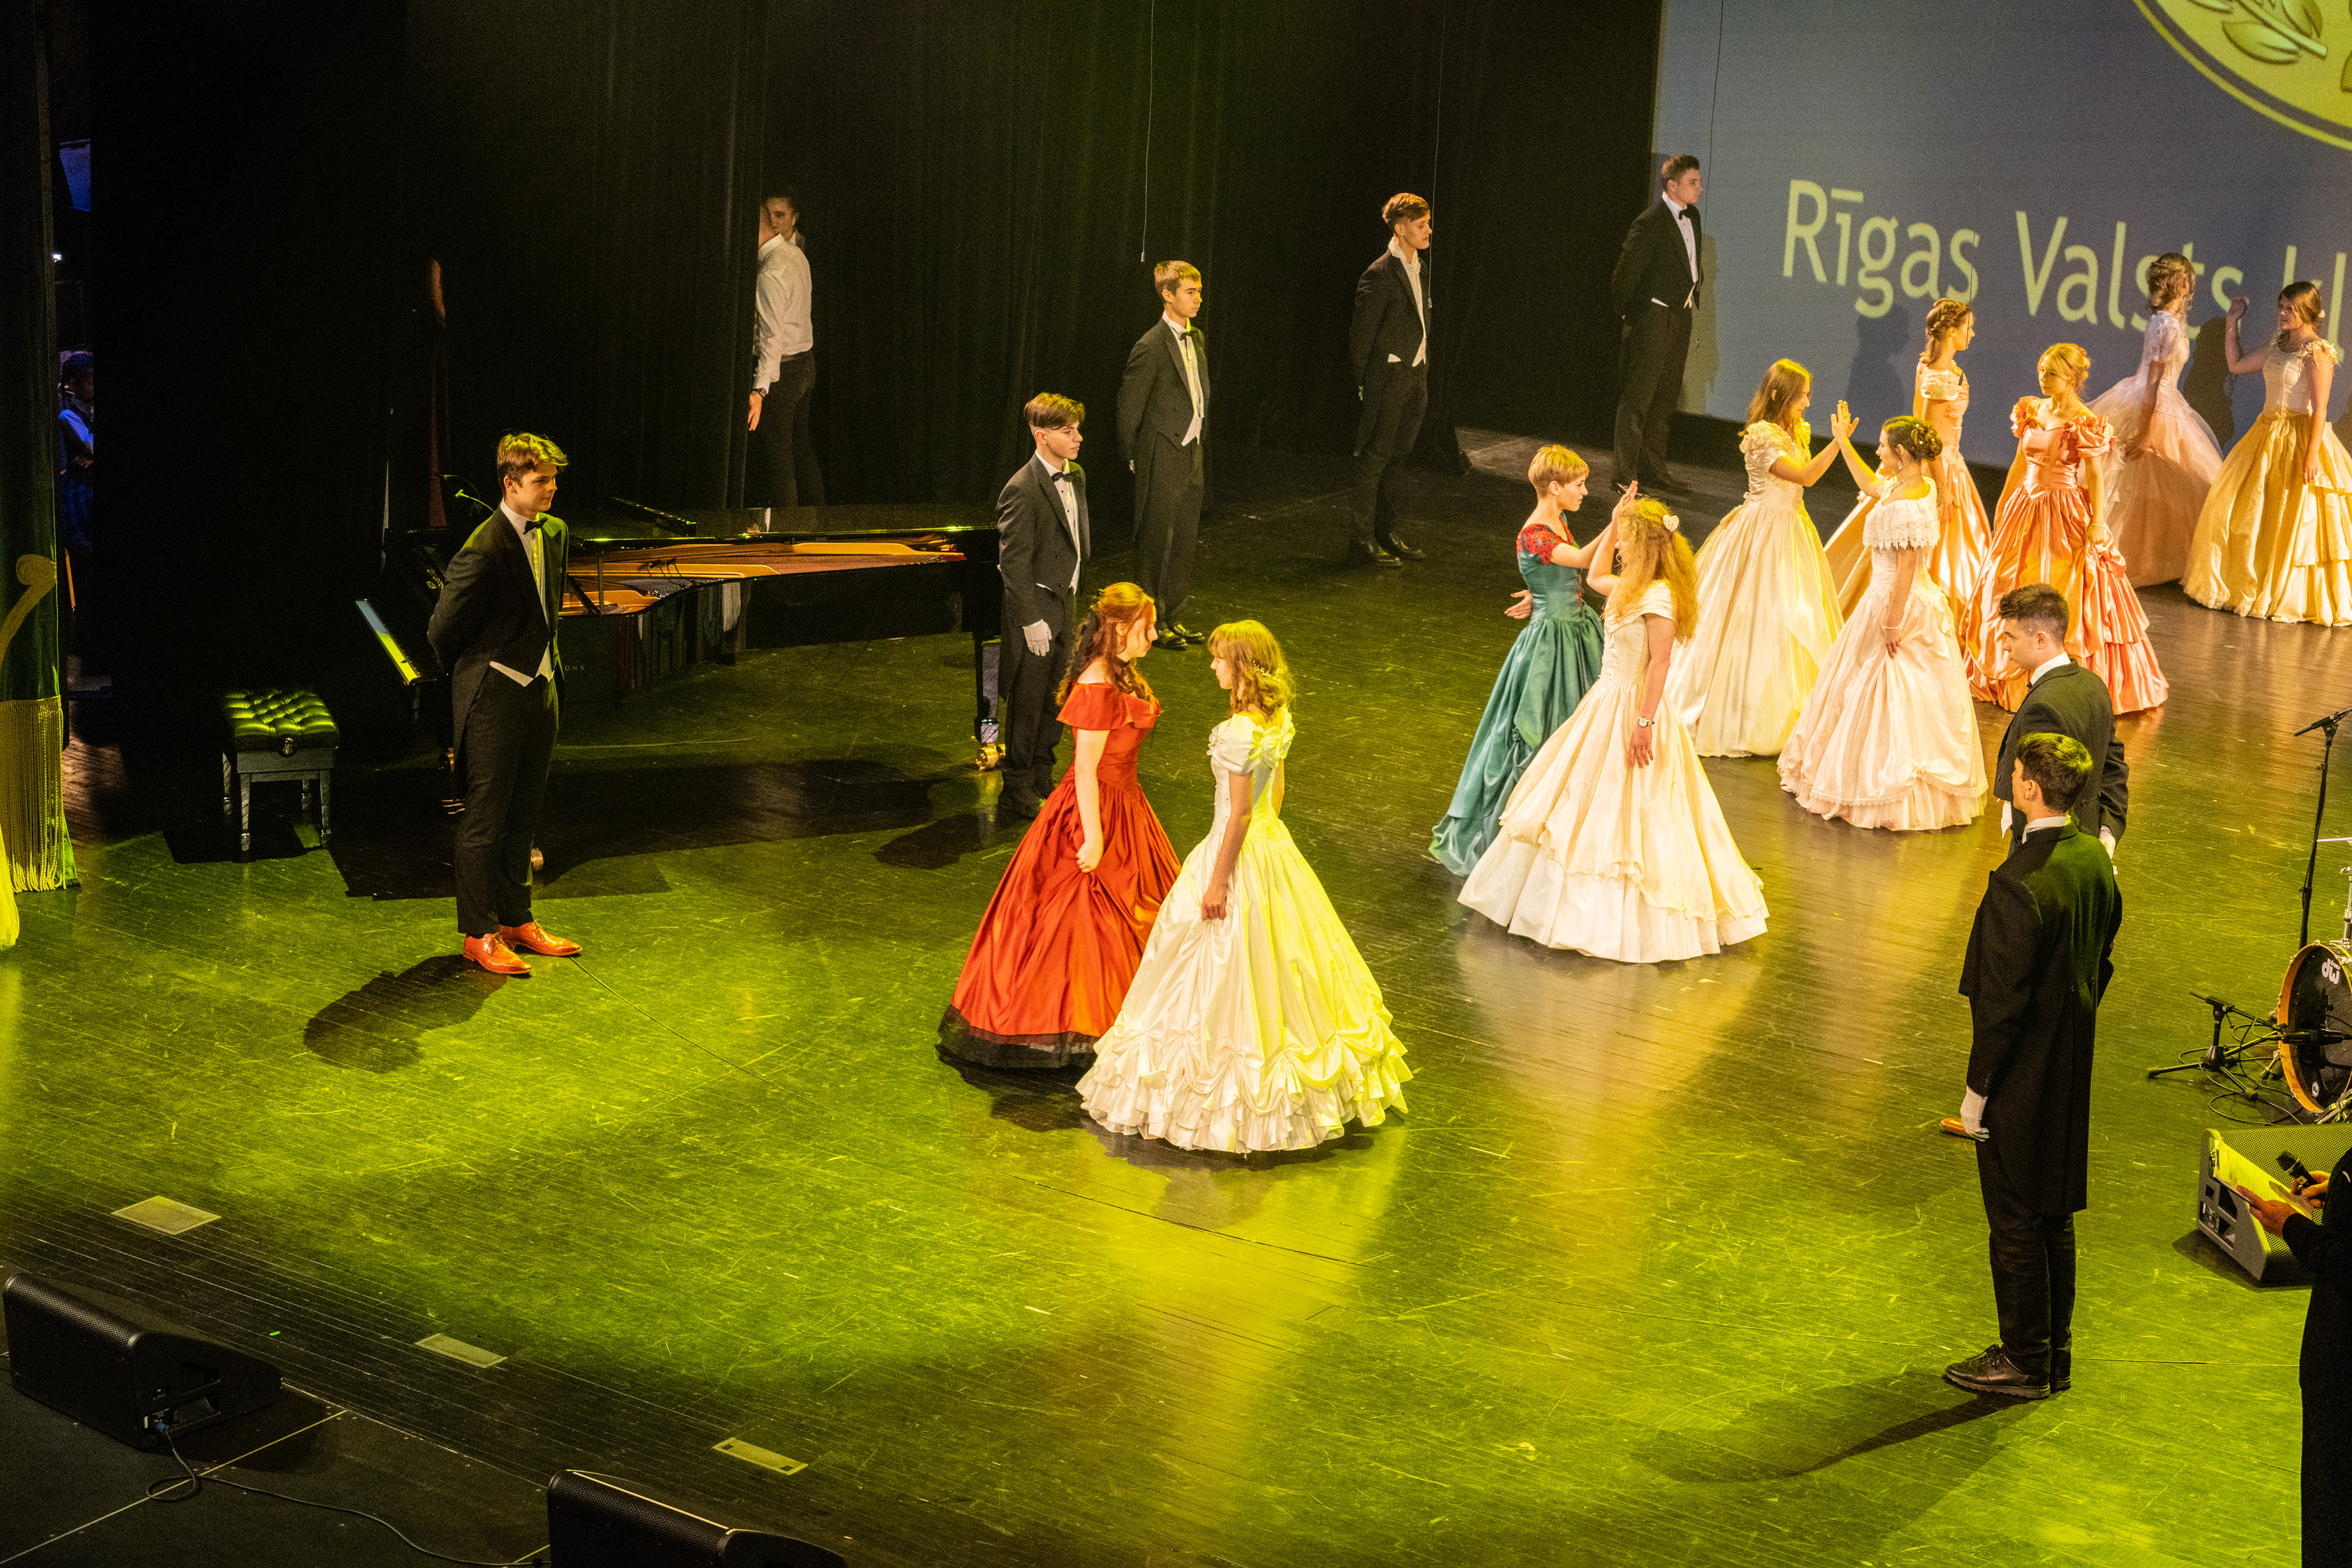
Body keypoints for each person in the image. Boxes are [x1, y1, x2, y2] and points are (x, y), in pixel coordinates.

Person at [1077, 621, 1411, 1151]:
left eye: (1218, 659)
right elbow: (1272, 793)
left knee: (1210, 967)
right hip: (1270, 846)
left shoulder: (1238, 730)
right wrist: (1269, 839)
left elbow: (1237, 815)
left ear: (1240, 666)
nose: (1211, 665)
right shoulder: (1276, 716)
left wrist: (1217, 882)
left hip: (1231, 851)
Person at [1458, 497, 1768, 962]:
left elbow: (1660, 664)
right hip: (1603, 702)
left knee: (1636, 808)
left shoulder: (1659, 596)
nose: (1618, 545)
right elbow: (1593, 576)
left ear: (1642, 544)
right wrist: (1611, 522)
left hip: (1634, 707)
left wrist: (1644, 723)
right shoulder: (1628, 587)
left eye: (1624, 538)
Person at [1944, 732, 2121, 1401]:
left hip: (2020, 1077)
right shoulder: (2093, 859)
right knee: (2053, 1213)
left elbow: (2000, 1007)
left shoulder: (2017, 884)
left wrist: (1975, 1095)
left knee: (2015, 1217)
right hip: (2070, 1066)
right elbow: (2102, 951)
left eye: (2015, 771)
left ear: (2028, 788)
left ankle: (2022, 1360)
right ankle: (2053, 1356)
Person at [939, 584, 1182, 1068]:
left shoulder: (1121, 673)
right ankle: (1080, 1022)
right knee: (1081, 920)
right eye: (1147, 627)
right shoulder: (1096, 686)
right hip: (1093, 811)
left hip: (1126, 806)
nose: (1154, 636)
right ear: (1120, 628)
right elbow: (1086, 770)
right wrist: (1093, 837)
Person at [1778, 414, 1986, 830]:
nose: (1877, 451)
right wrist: (1842, 441)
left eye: (1883, 446)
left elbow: (1907, 568)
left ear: (1902, 453)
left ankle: (1885, 783)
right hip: (1889, 597)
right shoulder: (1908, 485)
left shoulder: (1910, 501)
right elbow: (1871, 485)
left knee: (1894, 690)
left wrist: (1892, 622)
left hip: (1897, 603)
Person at [426, 433, 584, 976]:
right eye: (542, 481)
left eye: (554, 479)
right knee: (485, 819)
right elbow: (441, 632)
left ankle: (518, 919)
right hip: (494, 696)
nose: (552, 489)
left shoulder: (555, 533)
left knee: (525, 813)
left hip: (541, 688)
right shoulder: (483, 548)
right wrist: (486, 667)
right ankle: (479, 933)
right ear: (511, 484)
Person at [1427, 446, 1615, 875]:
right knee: (1540, 728)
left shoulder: (1558, 520)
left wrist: (1540, 591)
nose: (1585, 492)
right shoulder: (1535, 532)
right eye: (1579, 485)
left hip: (1576, 632)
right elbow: (1581, 560)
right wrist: (1616, 522)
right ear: (1555, 487)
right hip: (1551, 644)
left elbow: (1555, 571)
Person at [1662, 359, 1849, 757]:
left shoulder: (1796, 430)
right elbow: (1804, 477)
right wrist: (1838, 443)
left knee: (1795, 615)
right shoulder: (1762, 435)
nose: (1807, 404)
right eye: (1802, 397)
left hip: (1793, 529)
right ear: (1779, 395)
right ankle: (1740, 715)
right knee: (1752, 615)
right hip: (1762, 531)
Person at [1971, 344, 2168, 714]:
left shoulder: (2084, 421)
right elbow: (2020, 465)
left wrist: (2097, 522)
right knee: (2009, 580)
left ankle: (2064, 685)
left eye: (2052, 374)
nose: (2043, 378)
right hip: (2025, 508)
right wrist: (2003, 506)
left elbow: (2096, 476)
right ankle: (2009, 676)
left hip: (2063, 511)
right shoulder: (2032, 409)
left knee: (2065, 587)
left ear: (2072, 378)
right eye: (2041, 370)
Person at [1822, 299, 1992, 659]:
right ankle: (1922, 632)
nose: (1972, 333)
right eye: (1968, 327)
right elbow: (1928, 440)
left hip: (1948, 465)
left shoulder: (1933, 367)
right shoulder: (1939, 376)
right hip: (1939, 470)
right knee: (1926, 552)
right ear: (1951, 331)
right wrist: (1943, 488)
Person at [2182, 281, 2352, 625]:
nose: (2283, 313)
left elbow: (2320, 409)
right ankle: (2244, 583)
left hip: (2298, 436)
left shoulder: (2317, 352)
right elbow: (2236, 364)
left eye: (2290, 309)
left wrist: (2312, 454)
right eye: (2281, 306)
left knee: (2291, 515)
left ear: (2307, 312)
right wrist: (2233, 323)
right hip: (2266, 432)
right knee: (2245, 509)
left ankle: (2283, 591)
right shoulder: (2279, 345)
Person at [2238, 1143, 2352, 1563]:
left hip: (2342, 1371)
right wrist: (2339, 1193)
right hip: (2334, 1360)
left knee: (2334, 1509)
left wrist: (2291, 1226)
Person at [2087, 254, 2221, 588]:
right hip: (2153, 404)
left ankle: (2152, 557)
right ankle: (2118, 557)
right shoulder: (2167, 324)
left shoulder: (2168, 320)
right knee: (2141, 482)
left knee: (2169, 485)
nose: (2192, 285)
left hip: (2164, 401)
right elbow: (2152, 381)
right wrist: (2146, 430)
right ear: (2180, 282)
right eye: (2188, 279)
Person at [997, 394, 1092, 819]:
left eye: (1077, 429)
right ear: (1041, 436)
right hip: (1036, 609)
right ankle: (1016, 785)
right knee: (1029, 699)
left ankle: (1040, 773)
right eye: (1067, 431)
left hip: (1065, 602)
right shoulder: (1022, 488)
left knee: (1058, 695)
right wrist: (1030, 619)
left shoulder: (1077, 476)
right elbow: (1013, 563)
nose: (1077, 438)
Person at [1979, 583, 2128, 854]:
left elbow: (2042, 797)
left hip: (2048, 851)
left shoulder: (2042, 707)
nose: (2005, 646)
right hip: (2088, 837)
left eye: (2011, 636)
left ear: (2040, 639)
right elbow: (2113, 765)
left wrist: (2028, 852)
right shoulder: (2094, 684)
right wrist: (2108, 830)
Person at [1119, 260, 1210, 649]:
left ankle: (1173, 615)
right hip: (1161, 448)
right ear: (1167, 295)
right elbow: (1130, 404)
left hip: (1191, 448)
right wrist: (1132, 452)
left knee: (1185, 537)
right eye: (1190, 292)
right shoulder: (1151, 345)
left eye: (1199, 291)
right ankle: (1151, 623)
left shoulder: (1196, 339)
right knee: (1158, 539)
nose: (1198, 299)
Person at [1348, 193, 1435, 568]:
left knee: (1398, 456)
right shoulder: (1380, 273)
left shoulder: (1421, 268)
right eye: (1421, 225)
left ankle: (1387, 532)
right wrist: (1364, 383)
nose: (1428, 231)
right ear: (1401, 229)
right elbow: (1361, 335)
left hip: (1416, 375)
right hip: (1388, 377)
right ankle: (1362, 539)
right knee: (1376, 458)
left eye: (1428, 224)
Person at [1610, 155, 1703, 495]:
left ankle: (1653, 471)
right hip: (1654, 317)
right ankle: (1624, 475)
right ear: (1672, 185)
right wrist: (1630, 314)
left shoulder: (1692, 216)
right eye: (1693, 182)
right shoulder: (1650, 221)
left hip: (1681, 315)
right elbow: (1625, 273)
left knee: (1665, 398)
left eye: (1699, 181)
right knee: (1638, 399)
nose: (1700, 188)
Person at [747, 191, 825, 511]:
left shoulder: (771, 273)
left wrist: (759, 390)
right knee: (800, 449)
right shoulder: (795, 255)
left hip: (785, 373)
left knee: (778, 457)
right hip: (805, 365)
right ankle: (818, 524)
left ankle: (786, 532)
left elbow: (771, 339)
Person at [54, 351, 96, 672]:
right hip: (81, 496)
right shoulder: (68, 415)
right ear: (73, 384)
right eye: (90, 380)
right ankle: (89, 653)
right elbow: (89, 445)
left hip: (89, 489)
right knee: (86, 574)